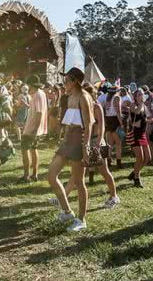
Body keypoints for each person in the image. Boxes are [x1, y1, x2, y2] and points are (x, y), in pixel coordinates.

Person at [53, 84, 119, 208]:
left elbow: (102, 126)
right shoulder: (82, 107)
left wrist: (98, 143)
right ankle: (62, 198)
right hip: (85, 142)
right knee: (77, 174)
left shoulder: (96, 106)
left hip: (96, 142)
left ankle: (114, 196)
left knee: (104, 171)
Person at [47, 67, 94, 232]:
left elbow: (88, 124)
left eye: (66, 80)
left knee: (79, 182)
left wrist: (86, 146)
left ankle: (81, 220)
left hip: (78, 141)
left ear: (75, 81)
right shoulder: (69, 97)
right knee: (51, 175)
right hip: (67, 141)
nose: (63, 83)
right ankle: (67, 211)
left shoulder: (83, 97)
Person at [20, 75, 48, 183]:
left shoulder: (37, 95)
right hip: (34, 127)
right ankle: (34, 174)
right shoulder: (40, 93)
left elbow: (39, 113)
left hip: (32, 128)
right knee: (33, 149)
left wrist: (34, 130)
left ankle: (26, 176)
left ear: (31, 84)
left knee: (24, 150)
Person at [125, 88, 151, 188]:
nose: (141, 96)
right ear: (135, 97)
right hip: (135, 134)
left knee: (147, 158)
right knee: (140, 158)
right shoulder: (134, 105)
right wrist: (141, 103)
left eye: (142, 94)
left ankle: (134, 172)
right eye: (139, 94)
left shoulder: (143, 105)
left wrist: (150, 120)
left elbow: (145, 117)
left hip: (143, 134)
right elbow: (136, 112)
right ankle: (137, 178)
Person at [103, 86, 124, 169]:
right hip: (115, 120)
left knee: (110, 143)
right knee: (118, 143)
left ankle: (108, 161)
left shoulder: (107, 97)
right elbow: (118, 111)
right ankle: (119, 162)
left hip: (108, 119)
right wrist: (121, 123)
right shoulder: (117, 97)